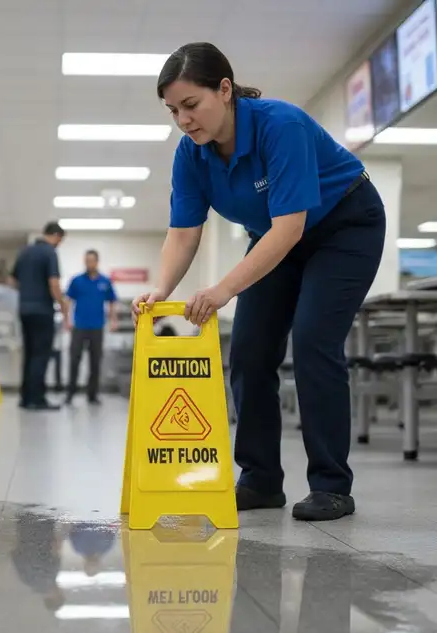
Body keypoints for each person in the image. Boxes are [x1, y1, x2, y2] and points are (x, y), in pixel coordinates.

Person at [132, 43, 385, 522]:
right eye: (172, 111)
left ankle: (332, 486)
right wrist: (161, 289)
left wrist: (222, 289)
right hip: (276, 238)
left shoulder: (280, 125)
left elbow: (291, 227)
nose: (183, 120)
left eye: (191, 105)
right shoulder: (192, 154)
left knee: (312, 341)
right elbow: (184, 232)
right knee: (248, 352)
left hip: (345, 226)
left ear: (224, 90)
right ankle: (261, 480)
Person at [10, 222, 68, 411]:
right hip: (42, 310)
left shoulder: (24, 251)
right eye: (60, 240)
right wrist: (63, 305)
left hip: (24, 309)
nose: (59, 244)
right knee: (40, 355)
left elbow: (12, 280)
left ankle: (25, 398)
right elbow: (54, 283)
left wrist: (28, 291)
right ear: (55, 235)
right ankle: (37, 399)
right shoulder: (49, 252)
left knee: (28, 354)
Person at [65, 249, 118, 405]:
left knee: (95, 362)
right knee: (74, 360)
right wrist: (66, 320)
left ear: (97, 262)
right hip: (79, 326)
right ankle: (70, 394)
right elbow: (68, 301)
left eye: (92, 260)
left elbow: (112, 301)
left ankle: (92, 395)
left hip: (97, 327)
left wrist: (113, 320)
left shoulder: (105, 281)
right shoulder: (77, 281)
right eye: (87, 261)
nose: (90, 263)